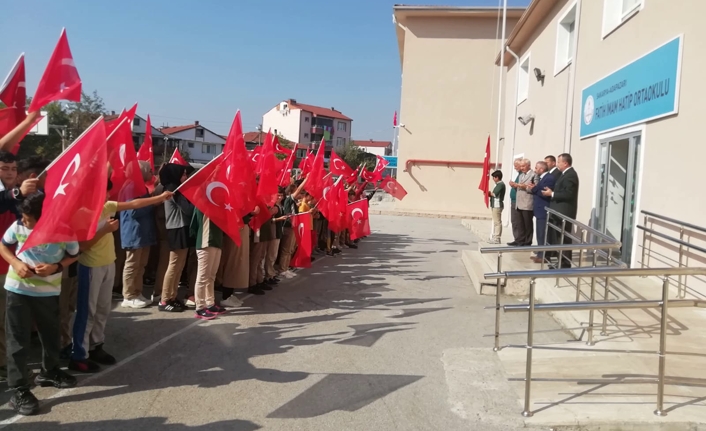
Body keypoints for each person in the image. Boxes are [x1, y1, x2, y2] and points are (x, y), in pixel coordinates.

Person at [70, 180, 173, 373]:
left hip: (108, 263)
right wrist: (105, 230)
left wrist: (160, 197)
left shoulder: (107, 206)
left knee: (103, 309)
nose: (108, 196)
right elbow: (81, 246)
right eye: (104, 193)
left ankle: (96, 346)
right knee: (87, 312)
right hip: (90, 267)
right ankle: (79, 355)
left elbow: (134, 203)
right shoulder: (82, 213)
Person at [0, 193, 79, 416]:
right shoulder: (18, 225)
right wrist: (15, 263)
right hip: (18, 290)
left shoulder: (64, 230)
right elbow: (3, 246)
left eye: (29, 220)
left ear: (44, 219)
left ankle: (50, 371)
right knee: (17, 340)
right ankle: (19, 389)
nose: (24, 222)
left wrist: (56, 267)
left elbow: (74, 254)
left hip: (48, 292)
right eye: (23, 218)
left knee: (51, 334)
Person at [120, 161, 158, 308]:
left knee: (141, 266)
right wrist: (152, 203)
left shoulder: (140, 187)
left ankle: (137, 292)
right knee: (132, 265)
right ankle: (128, 295)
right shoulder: (132, 187)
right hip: (133, 232)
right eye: (149, 170)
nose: (152, 173)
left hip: (143, 233)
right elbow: (133, 211)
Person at [158, 163, 196, 313]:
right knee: (174, 266)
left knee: (179, 266)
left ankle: (172, 297)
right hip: (176, 228)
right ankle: (165, 299)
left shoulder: (176, 188)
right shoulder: (173, 189)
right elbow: (188, 210)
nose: (185, 177)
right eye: (183, 174)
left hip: (181, 228)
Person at [542, 153, 579, 268]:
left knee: (564, 238)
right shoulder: (564, 174)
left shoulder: (570, 175)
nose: (557, 164)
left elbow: (568, 194)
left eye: (559, 162)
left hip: (564, 213)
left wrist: (552, 194)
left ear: (565, 163)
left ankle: (564, 262)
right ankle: (560, 261)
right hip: (558, 213)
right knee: (559, 238)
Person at [190, 207, 227, 320]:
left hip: (217, 242)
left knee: (211, 276)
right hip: (205, 242)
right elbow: (194, 226)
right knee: (203, 277)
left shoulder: (220, 206)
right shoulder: (202, 204)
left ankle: (210, 303)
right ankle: (200, 307)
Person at [277, 179, 307, 277]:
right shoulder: (289, 199)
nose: (299, 194)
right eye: (296, 192)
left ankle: (286, 267)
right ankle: (282, 269)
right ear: (290, 192)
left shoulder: (293, 202)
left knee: (290, 249)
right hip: (288, 227)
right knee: (286, 249)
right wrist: (307, 179)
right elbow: (299, 189)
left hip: (293, 227)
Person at [526, 161, 555, 262]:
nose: (535, 170)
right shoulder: (542, 178)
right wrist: (534, 187)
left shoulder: (549, 178)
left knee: (543, 234)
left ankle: (544, 256)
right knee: (539, 234)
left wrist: (534, 189)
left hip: (543, 210)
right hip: (539, 210)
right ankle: (540, 254)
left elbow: (544, 193)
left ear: (541, 169)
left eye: (536, 168)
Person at [510, 159, 534, 246]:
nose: (521, 168)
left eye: (523, 166)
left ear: (528, 165)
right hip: (519, 203)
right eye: (521, 166)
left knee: (527, 224)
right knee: (520, 223)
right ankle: (520, 240)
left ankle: (527, 241)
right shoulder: (521, 175)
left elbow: (534, 188)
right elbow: (519, 186)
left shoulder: (533, 175)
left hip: (527, 203)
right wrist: (515, 185)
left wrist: (524, 187)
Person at [507, 159, 522, 246]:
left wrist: (515, 185)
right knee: (514, 221)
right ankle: (516, 238)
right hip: (513, 201)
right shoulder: (518, 175)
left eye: (516, 166)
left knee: (517, 221)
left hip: (518, 202)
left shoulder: (523, 175)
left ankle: (519, 240)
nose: (515, 168)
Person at [488, 170, 505, 244]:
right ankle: (495, 237)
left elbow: (495, 194)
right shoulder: (497, 184)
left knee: (497, 222)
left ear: (497, 177)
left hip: (497, 205)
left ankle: (497, 238)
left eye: (494, 177)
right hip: (494, 204)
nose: (493, 179)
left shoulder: (500, 184)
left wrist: (489, 193)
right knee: (495, 222)